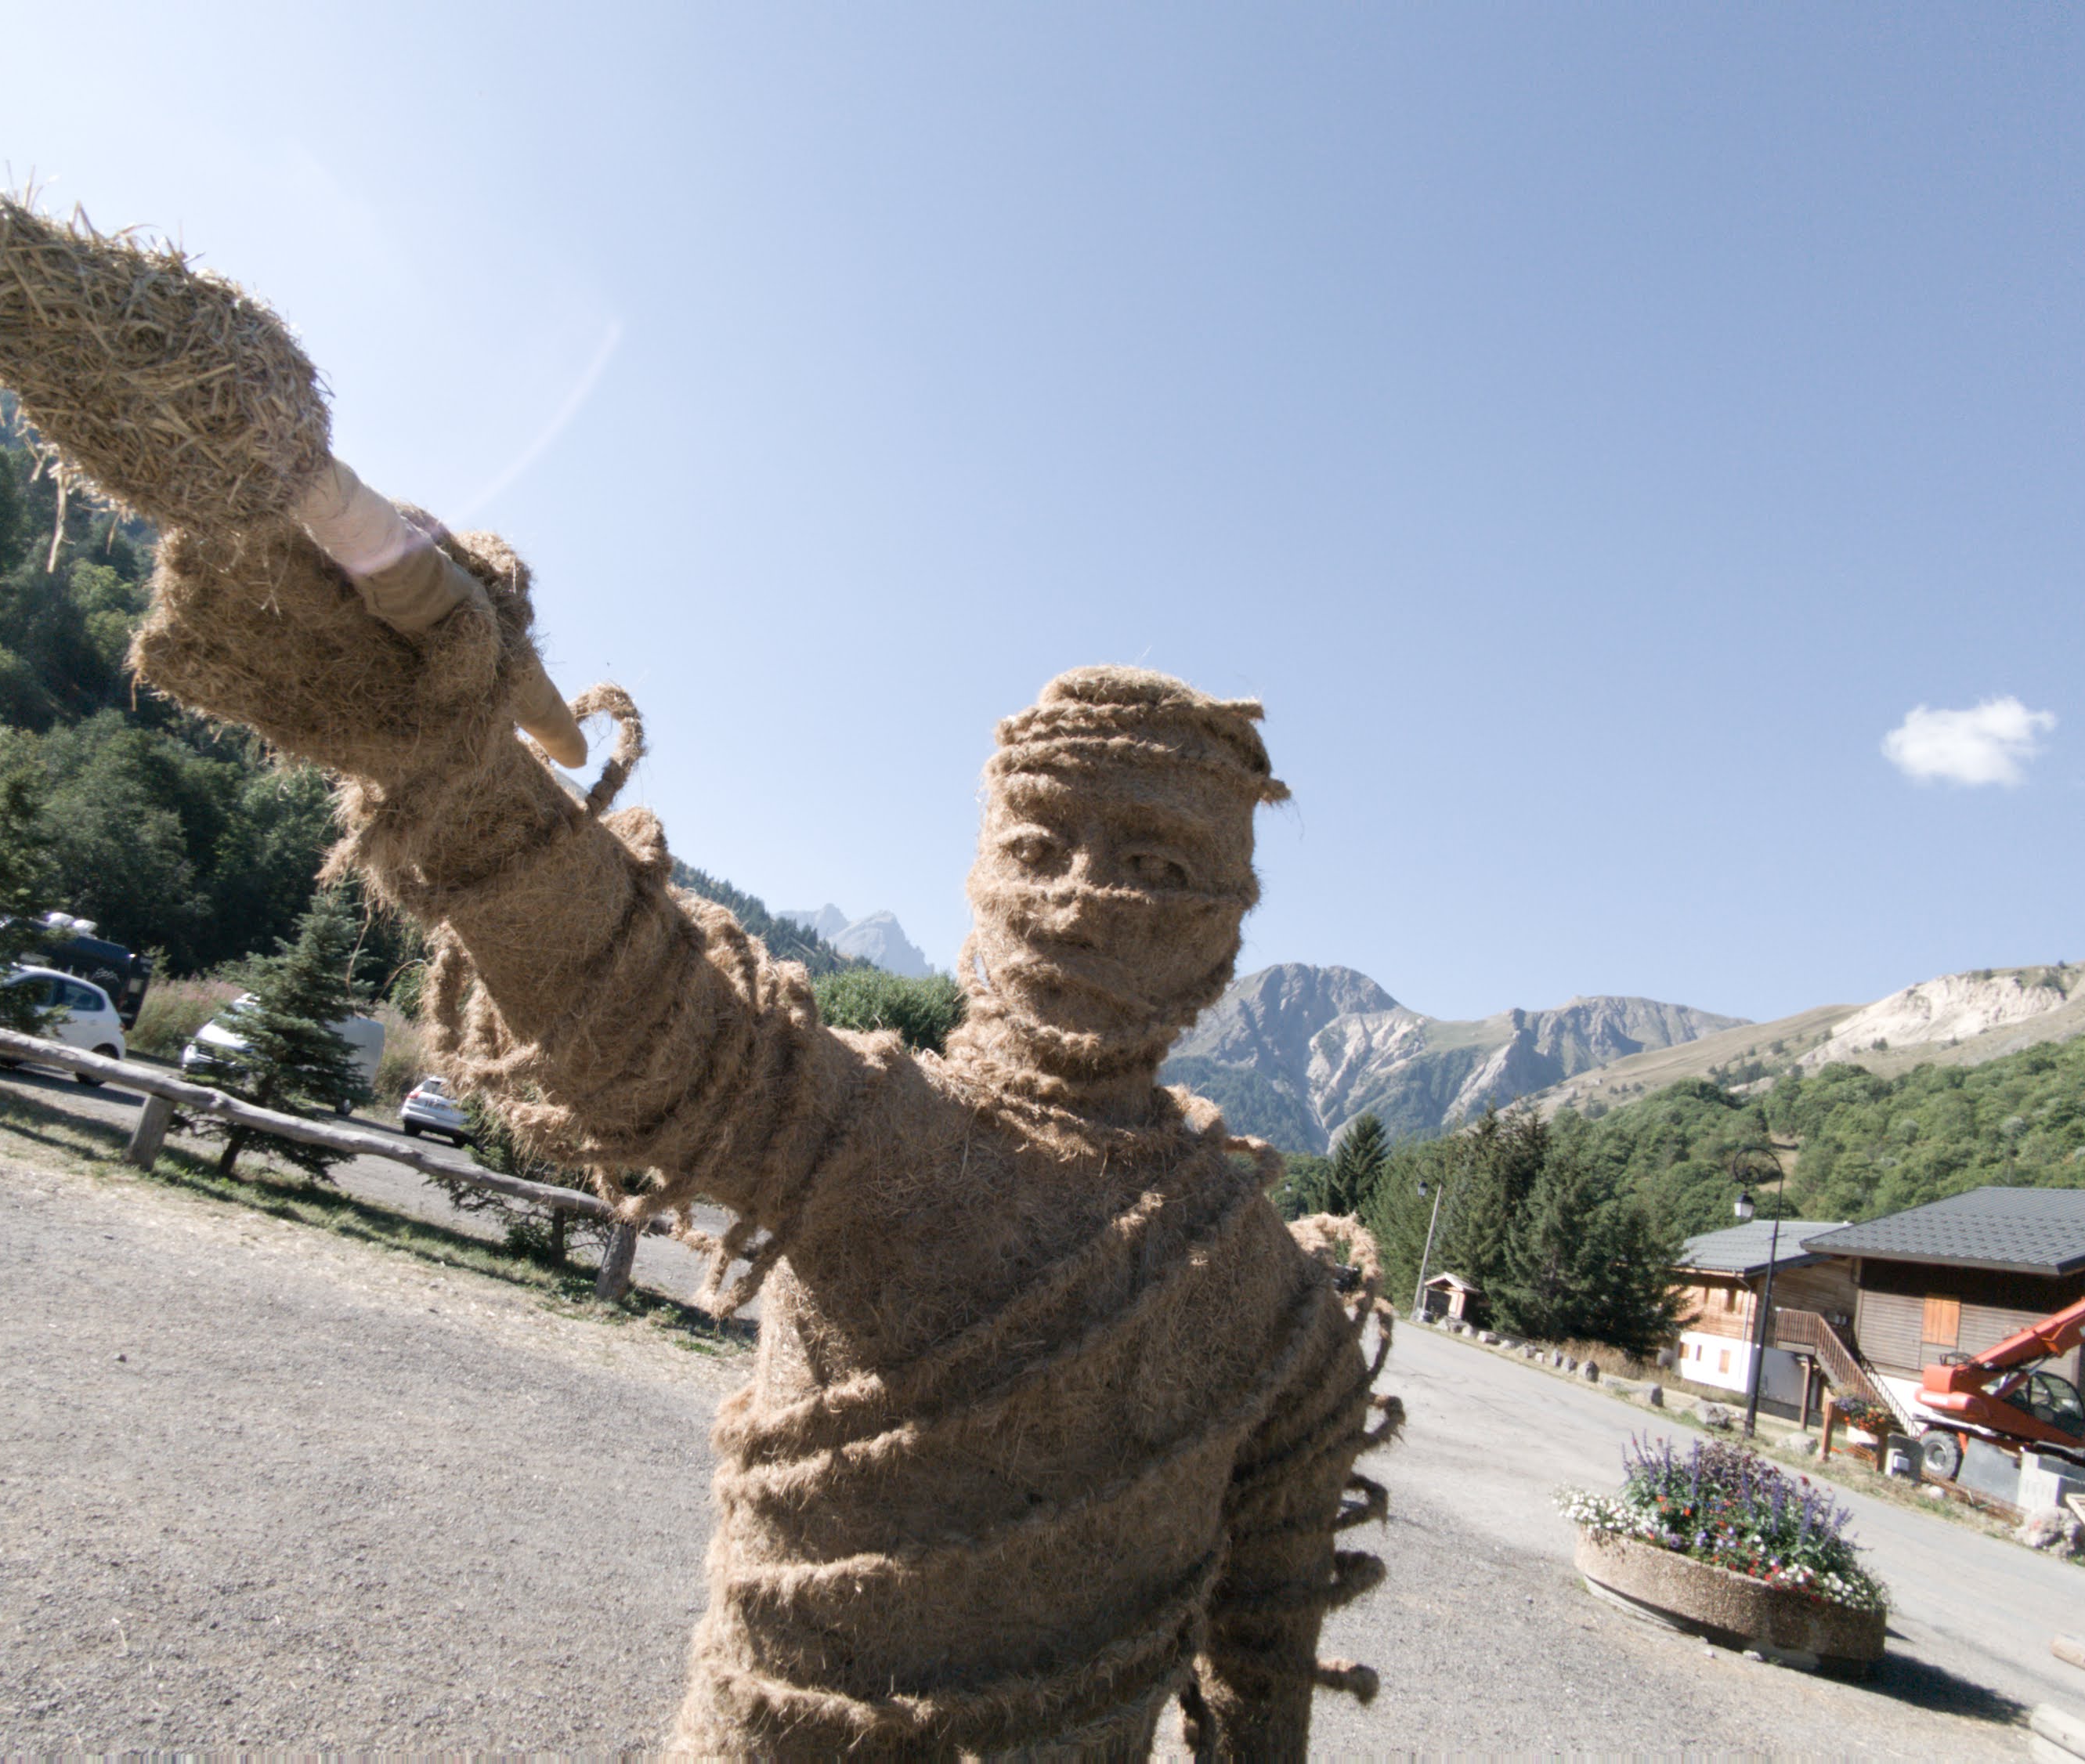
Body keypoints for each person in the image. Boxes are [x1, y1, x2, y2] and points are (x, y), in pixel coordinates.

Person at [130, 519, 1399, 1755]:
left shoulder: (1283, 1319)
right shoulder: (879, 1128)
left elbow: (1261, 1672)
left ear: (1229, 915)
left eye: (1159, 865)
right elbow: (658, 1029)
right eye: (1038, 844)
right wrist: (457, 768)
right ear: (982, 880)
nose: (1084, 897)